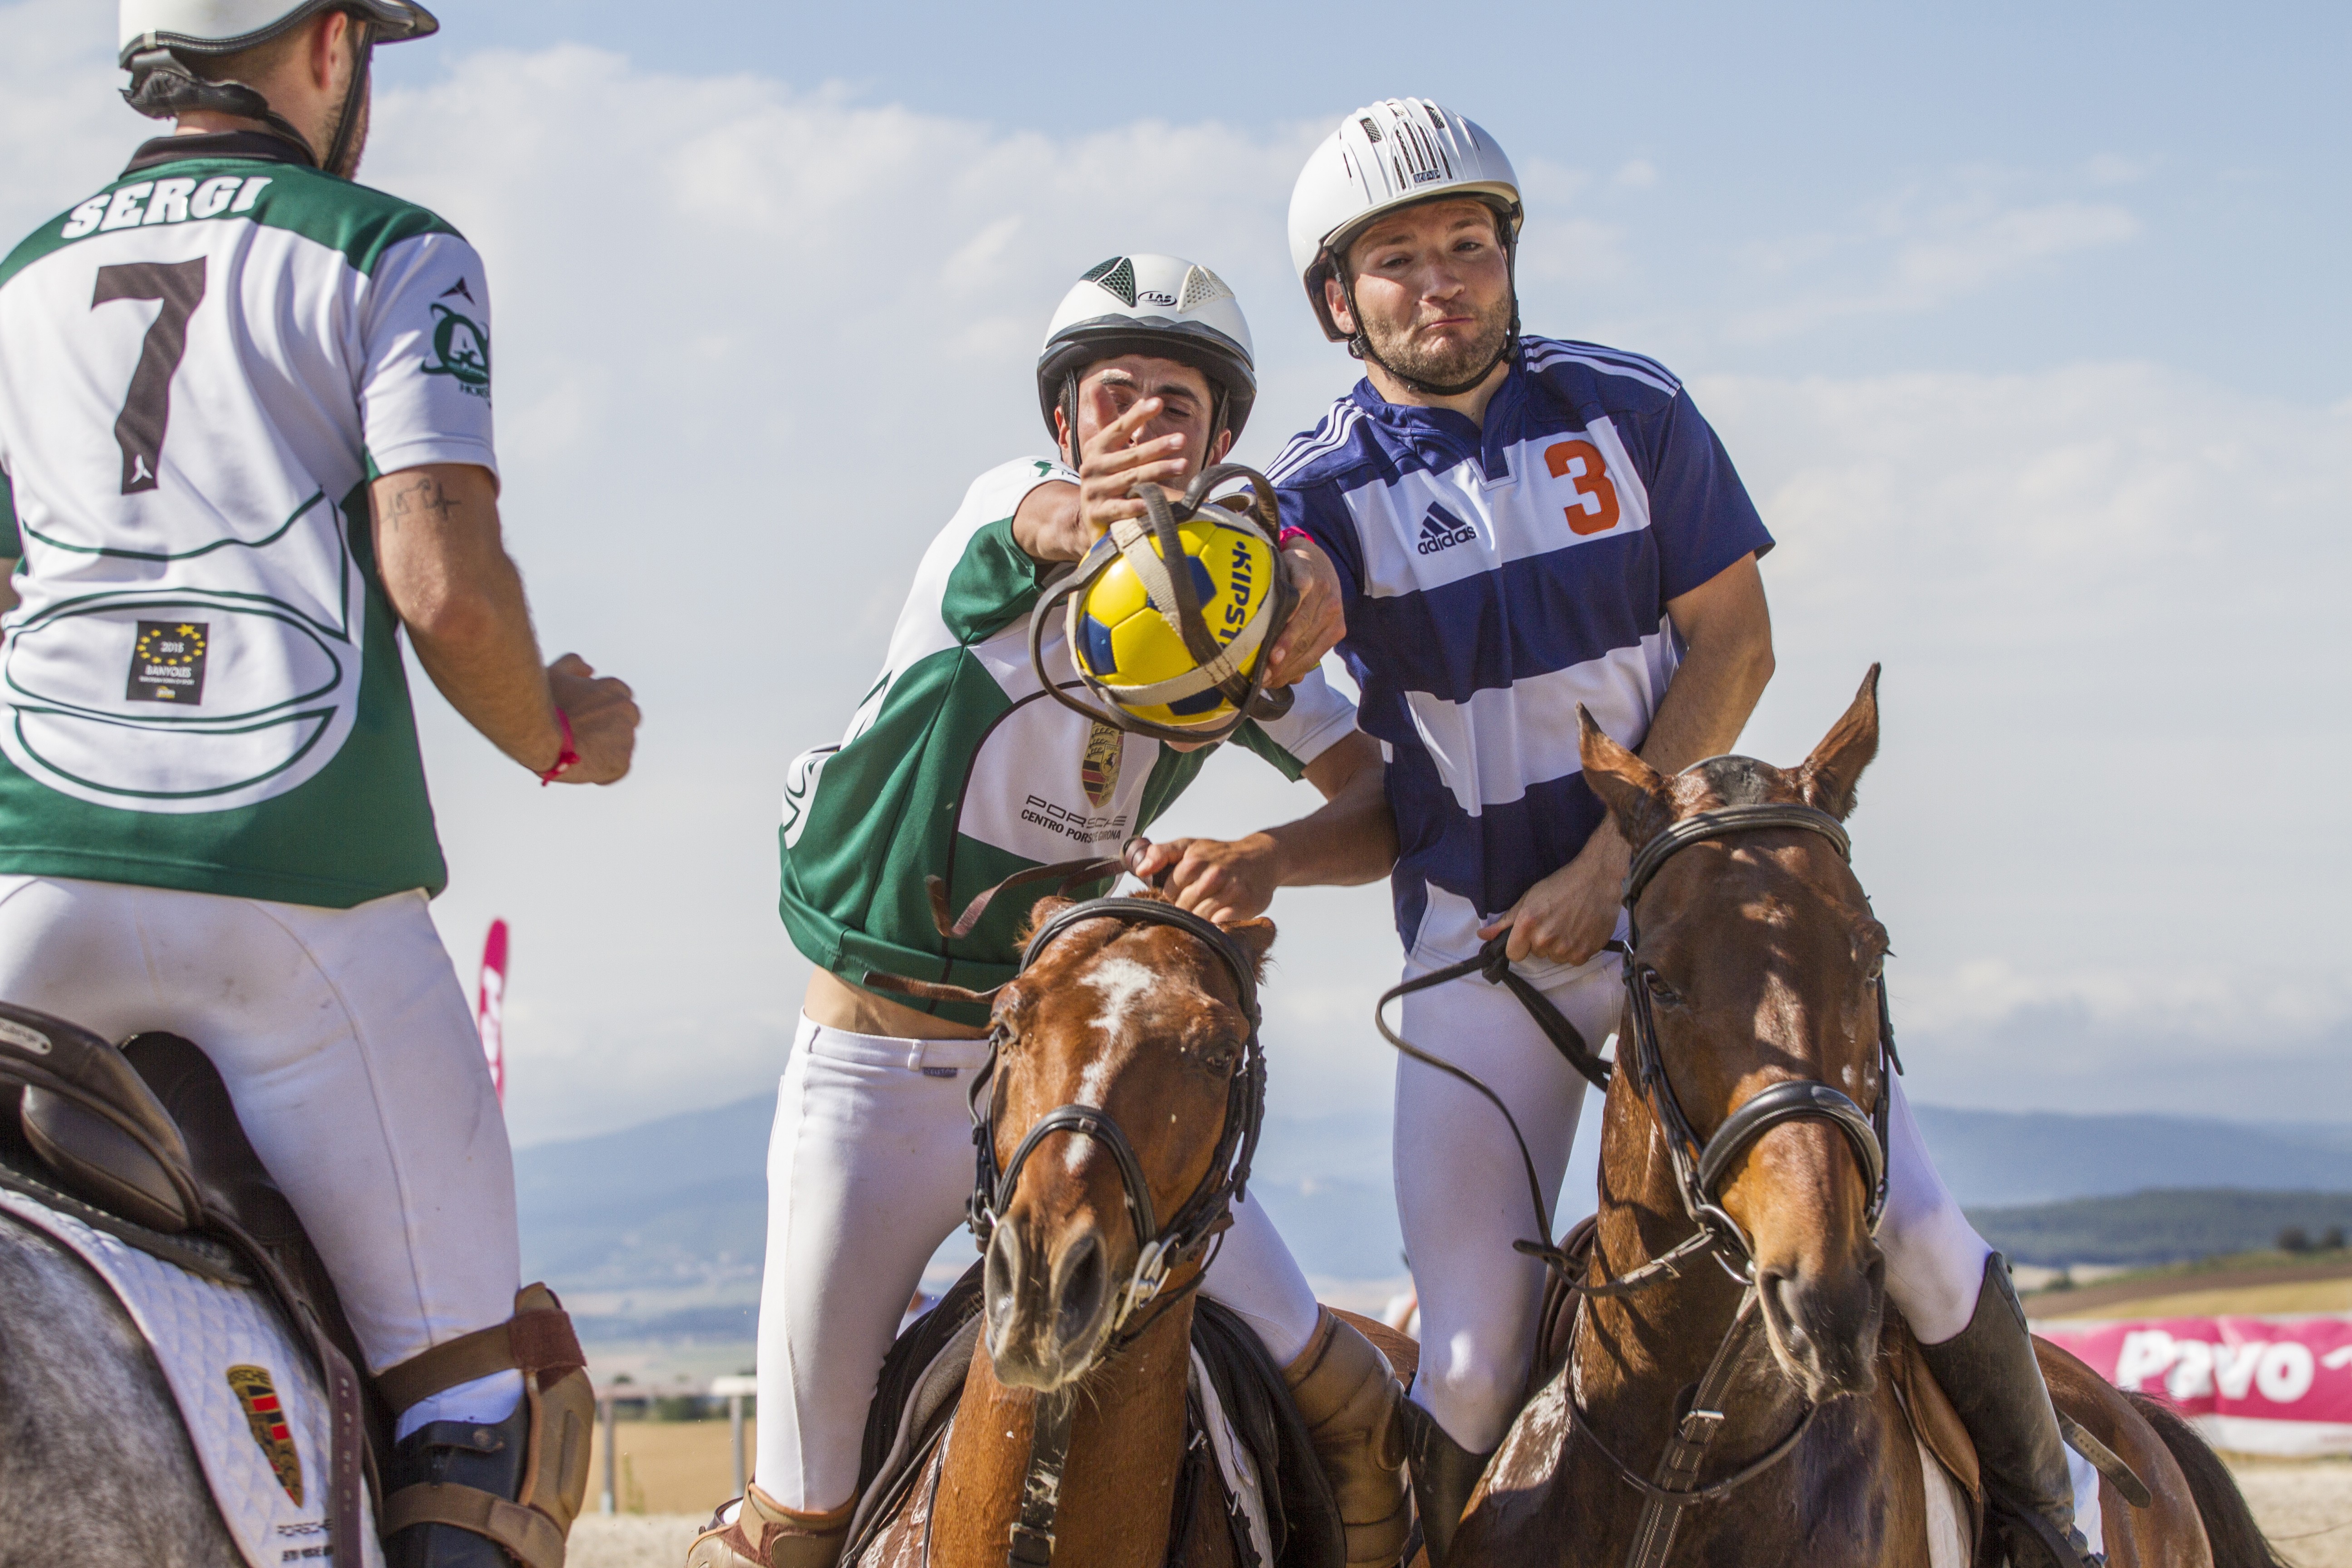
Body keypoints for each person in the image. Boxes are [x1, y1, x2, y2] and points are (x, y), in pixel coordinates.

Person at [1268, 97, 2096, 1568]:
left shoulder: (1631, 406)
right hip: (1481, 950)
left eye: (1469, 245)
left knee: (1918, 1242)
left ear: (1510, 256)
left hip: (1685, 918)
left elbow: (1738, 642)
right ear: (1340, 300)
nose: (1443, 283)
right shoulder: (1315, 492)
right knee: (1468, 1361)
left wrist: (1610, 870)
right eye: (1399, 261)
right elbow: (1251, 611)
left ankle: (2052, 1527)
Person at [0, 3, 639, 1563]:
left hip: (29, 883)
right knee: (483, 1397)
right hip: (296, 897)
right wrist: (554, 735)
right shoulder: (393, 249)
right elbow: (446, 591)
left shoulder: (18, 275)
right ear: (333, 45)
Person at [694, 255, 1407, 1568]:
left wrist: (1265, 855)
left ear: (1222, 437)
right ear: (1064, 421)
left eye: (1177, 404)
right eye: (1113, 394)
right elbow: (1055, 522)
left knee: (1357, 1411)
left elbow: (1379, 804)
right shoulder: (1005, 507)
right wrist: (1232, 543)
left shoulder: (1227, 608)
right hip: (875, 1080)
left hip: (1068, 1084)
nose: (1143, 423)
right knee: (794, 1524)